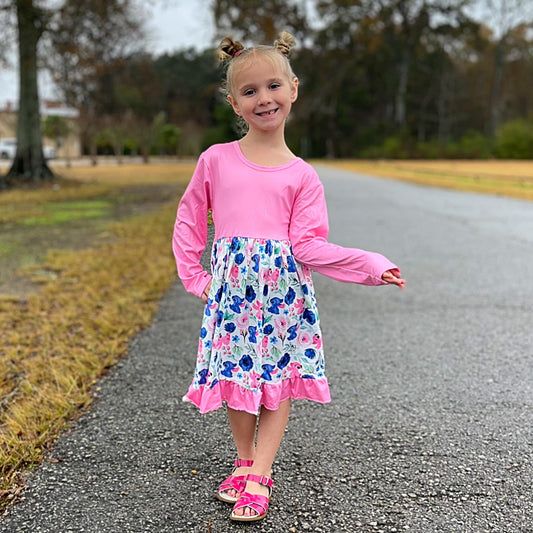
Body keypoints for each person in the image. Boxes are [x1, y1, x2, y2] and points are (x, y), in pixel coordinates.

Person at [172, 31, 406, 523]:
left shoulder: (302, 176)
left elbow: (310, 246)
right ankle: (242, 459)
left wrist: (369, 264)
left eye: (273, 86)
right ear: (235, 102)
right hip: (232, 296)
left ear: (293, 89)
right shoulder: (216, 160)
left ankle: (261, 472)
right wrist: (196, 277)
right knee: (237, 379)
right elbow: (191, 218)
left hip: (283, 297)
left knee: (276, 383)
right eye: (250, 91)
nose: (264, 99)